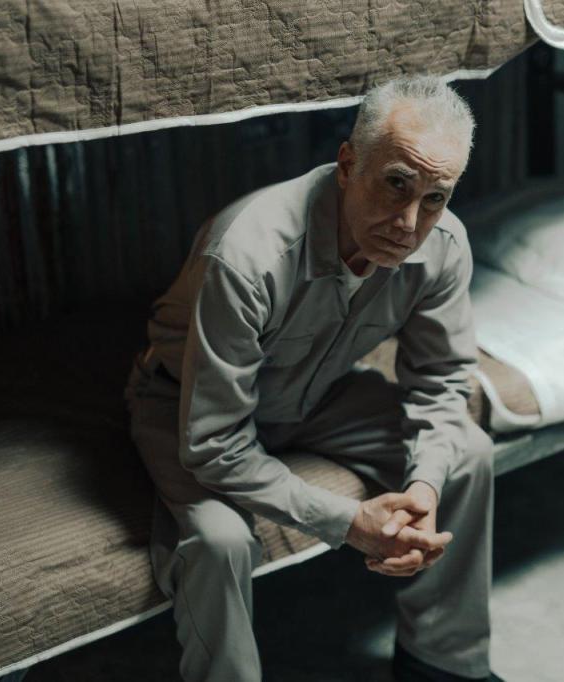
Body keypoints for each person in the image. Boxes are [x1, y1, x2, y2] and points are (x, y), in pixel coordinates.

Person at [124, 76, 500, 682]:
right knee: (220, 543)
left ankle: (442, 662)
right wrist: (348, 523)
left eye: (435, 197)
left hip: (316, 395)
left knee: (467, 454)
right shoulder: (247, 255)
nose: (409, 223)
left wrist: (425, 489)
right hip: (185, 405)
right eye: (396, 184)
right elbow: (215, 443)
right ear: (348, 165)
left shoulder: (444, 245)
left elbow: (442, 380)